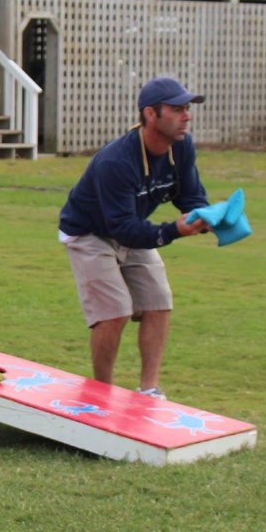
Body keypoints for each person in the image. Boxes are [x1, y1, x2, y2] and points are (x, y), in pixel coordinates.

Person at [58, 76, 213, 400]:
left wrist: (208, 217)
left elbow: (191, 194)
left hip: (131, 227)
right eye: (177, 109)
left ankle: (150, 390)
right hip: (88, 233)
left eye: (187, 108)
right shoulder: (117, 160)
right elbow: (123, 229)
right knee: (114, 310)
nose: (186, 115)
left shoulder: (181, 147)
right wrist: (173, 230)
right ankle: (102, 393)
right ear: (150, 114)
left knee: (159, 300)